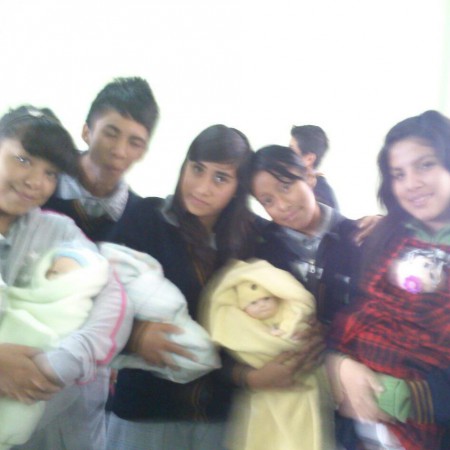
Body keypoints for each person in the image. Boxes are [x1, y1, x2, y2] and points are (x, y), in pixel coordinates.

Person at [105, 124, 260, 450]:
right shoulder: (146, 218)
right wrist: (134, 337)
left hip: (223, 416)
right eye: (197, 169)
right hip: (146, 412)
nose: (202, 187)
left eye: (221, 178)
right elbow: (97, 295)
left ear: (238, 187)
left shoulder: (254, 238)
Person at [0, 105, 131, 450]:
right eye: (23, 160)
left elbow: (112, 300)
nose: (35, 182)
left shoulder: (58, 230)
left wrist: (58, 364)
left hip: (54, 430)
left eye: (51, 173)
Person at [325, 110, 450, 450]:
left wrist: (399, 396)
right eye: (399, 174)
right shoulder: (386, 238)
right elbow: (356, 314)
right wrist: (339, 367)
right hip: (356, 434)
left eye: (425, 165)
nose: (411, 183)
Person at [200, 258, 335, 450]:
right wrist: (248, 376)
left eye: (266, 299)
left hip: (310, 382)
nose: (262, 305)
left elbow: (303, 315)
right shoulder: (234, 321)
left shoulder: (279, 271)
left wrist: (315, 331)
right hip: (221, 401)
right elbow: (211, 350)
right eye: (254, 302)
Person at [0, 244, 109, 449]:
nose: (52, 275)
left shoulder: (65, 237)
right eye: (51, 272)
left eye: (59, 274)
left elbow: (111, 318)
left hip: (61, 418)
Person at [44, 76, 159, 241]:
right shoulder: (40, 185)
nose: (119, 151)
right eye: (110, 134)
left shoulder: (139, 219)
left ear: (143, 152)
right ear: (86, 132)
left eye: (134, 143)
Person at [99, 242, 220, 383]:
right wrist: (132, 335)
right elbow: (85, 285)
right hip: (145, 385)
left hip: (213, 389)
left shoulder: (244, 232)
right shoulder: (139, 227)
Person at [290, 124, 339, 209]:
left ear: (309, 159)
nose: (287, 154)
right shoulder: (299, 183)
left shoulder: (321, 193)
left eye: (291, 150)